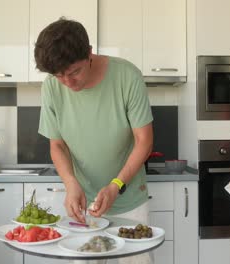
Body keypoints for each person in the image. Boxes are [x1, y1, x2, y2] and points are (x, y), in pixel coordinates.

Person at [35, 18, 154, 263]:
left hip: (129, 200)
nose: (68, 83)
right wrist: (70, 183)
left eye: (74, 72)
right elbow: (57, 145)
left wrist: (116, 185)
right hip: (83, 207)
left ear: (89, 53)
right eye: (59, 76)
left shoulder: (127, 76)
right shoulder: (51, 87)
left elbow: (144, 140)